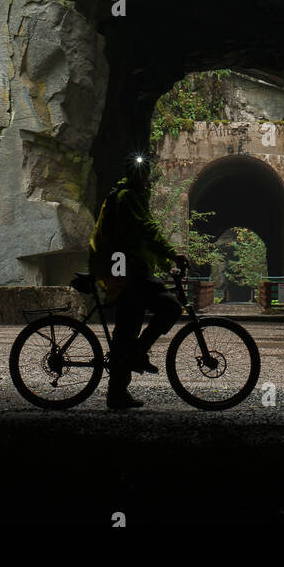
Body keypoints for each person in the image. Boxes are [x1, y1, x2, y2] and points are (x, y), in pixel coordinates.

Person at [88, 155, 188, 410]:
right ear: (139, 176)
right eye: (145, 174)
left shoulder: (124, 195)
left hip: (124, 269)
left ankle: (118, 393)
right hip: (127, 272)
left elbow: (142, 238)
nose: (146, 179)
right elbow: (147, 230)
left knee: (126, 332)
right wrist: (172, 255)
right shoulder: (128, 198)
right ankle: (138, 353)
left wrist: (165, 263)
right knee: (171, 308)